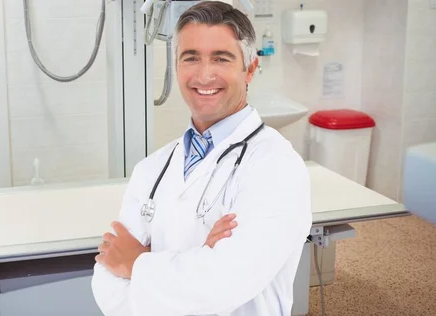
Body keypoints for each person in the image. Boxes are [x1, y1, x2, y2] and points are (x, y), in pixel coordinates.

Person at [91, 1, 312, 315]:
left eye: (221, 58)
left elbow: (225, 283)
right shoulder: (151, 169)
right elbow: (107, 279)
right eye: (190, 57)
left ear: (249, 68)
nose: (204, 74)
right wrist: (199, 259)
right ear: (177, 66)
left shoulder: (276, 166)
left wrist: (138, 263)